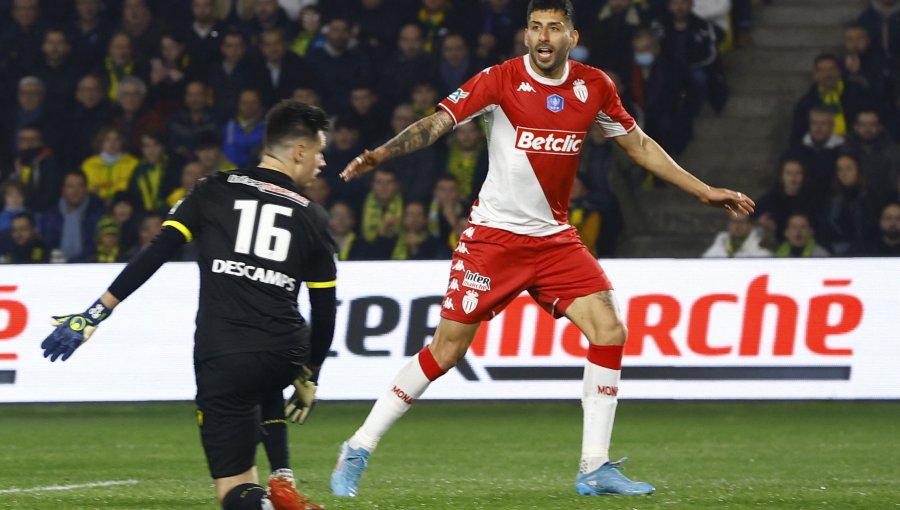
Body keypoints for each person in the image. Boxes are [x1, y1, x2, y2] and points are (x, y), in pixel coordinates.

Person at [330, 0, 755, 499]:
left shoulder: (594, 86)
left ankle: (594, 467)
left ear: (572, 37)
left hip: (554, 240)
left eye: (554, 28)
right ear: (525, 35)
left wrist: (702, 190)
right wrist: (382, 152)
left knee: (609, 328)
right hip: (493, 240)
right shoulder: (499, 79)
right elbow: (438, 123)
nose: (544, 37)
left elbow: (638, 145)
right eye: (535, 27)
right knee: (446, 351)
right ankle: (358, 447)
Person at [40, 101, 336, 510]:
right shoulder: (313, 217)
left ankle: (267, 499)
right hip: (285, 349)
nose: (322, 162)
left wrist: (96, 312)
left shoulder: (212, 190)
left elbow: (156, 252)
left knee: (233, 490)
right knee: (262, 377)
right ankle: (282, 479)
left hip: (225, 353)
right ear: (299, 151)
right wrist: (310, 371)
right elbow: (325, 310)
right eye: (320, 152)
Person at [701, 214, 772, 258]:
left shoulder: (760, 250)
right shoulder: (721, 242)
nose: (737, 226)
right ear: (728, 224)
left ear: (750, 225)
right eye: (734, 221)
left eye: (742, 222)